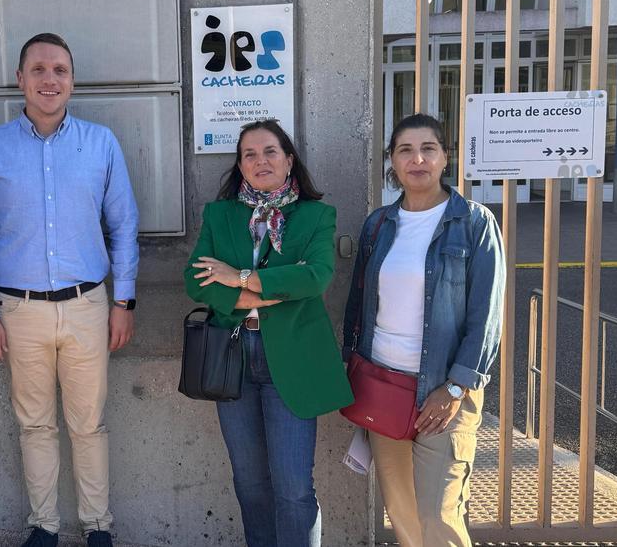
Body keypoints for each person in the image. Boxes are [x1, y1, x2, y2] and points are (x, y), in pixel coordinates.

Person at [0, 33, 139, 547]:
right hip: (18, 311)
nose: (49, 79)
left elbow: (124, 226)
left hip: (88, 306)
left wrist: (124, 301)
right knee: (35, 425)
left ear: (72, 80)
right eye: (38, 69)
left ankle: (98, 526)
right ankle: (43, 526)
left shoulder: (100, 143)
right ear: (20, 79)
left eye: (60, 70)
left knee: (89, 424)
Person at [183, 119, 353, 547]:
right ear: (240, 165)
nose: (261, 161)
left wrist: (238, 276)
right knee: (250, 483)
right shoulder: (219, 215)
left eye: (270, 151)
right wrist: (264, 292)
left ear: (289, 160)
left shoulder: (316, 215)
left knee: (293, 488)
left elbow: (315, 277)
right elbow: (195, 280)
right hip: (232, 358)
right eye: (250, 154)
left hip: (292, 360)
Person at [342, 113, 505, 547]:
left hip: (444, 393)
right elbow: (359, 305)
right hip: (383, 386)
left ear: (445, 157)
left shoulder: (474, 223)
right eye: (405, 151)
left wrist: (455, 388)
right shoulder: (378, 224)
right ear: (392, 162)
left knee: (439, 517)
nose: (417, 159)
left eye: (428, 149)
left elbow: (486, 318)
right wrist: (350, 367)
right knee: (402, 514)